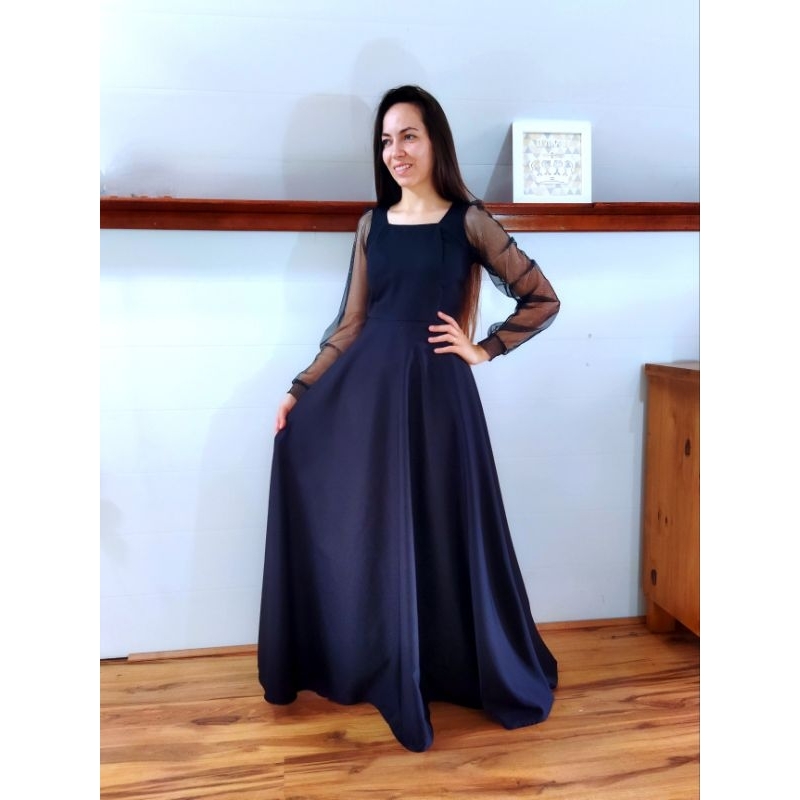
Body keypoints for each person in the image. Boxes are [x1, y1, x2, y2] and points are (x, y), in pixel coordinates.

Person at [258, 85, 560, 753]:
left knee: (445, 529)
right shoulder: (373, 225)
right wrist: (301, 390)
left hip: (440, 401)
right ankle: (386, 659)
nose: (395, 151)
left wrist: (483, 349)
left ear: (434, 142)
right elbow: (351, 323)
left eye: (408, 136)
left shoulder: (468, 221)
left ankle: (453, 666)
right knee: (380, 529)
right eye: (386, 140)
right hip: (371, 401)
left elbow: (541, 298)